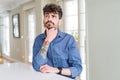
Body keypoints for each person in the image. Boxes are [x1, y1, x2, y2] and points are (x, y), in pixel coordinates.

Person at [32, 3, 82, 79]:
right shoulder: (38, 40)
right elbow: (37, 66)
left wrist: (57, 70)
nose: (49, 19)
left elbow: (78, 69)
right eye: (46, 16)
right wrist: (47, 42)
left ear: (59, 21)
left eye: (53, 16)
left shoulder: (69, 40)